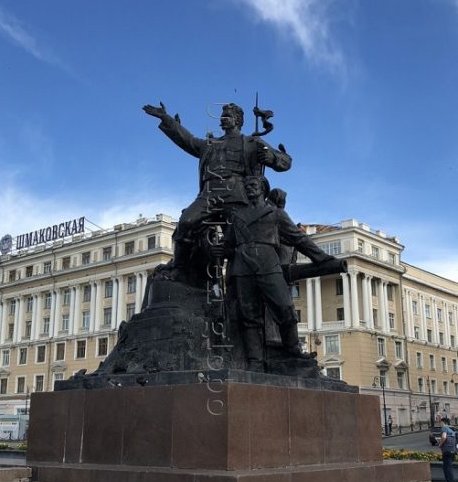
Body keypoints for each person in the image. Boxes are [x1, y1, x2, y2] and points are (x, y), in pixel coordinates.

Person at [143, 102, 292, 278]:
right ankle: (180, 268)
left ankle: (248, 278)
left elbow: (285, 161)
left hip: (237, 195)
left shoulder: (251, 142)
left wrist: (271, 157)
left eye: (226, 116)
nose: (222, 120)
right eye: (222, 117)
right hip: (209, 194)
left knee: (241, 237)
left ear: (237, 120)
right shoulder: (209, 144)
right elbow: (187, 140)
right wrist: (165, 118)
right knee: (185, 223)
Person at [223, 175, 334, 369]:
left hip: (268, 264)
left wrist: (321, 257)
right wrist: (219, 250)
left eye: (254, 185)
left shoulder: (275, 214)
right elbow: (229, 245)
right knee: (250, 317)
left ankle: (293, 350)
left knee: (285, 307)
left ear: (263, 189)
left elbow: (299, 238)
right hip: (243, 267)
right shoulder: (237, 215)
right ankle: (255, 361)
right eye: (247, 185)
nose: (250, 188)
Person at [438, 416, 457, 482]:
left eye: (441, 422)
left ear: (443, 422)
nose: (440, 424)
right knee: (449, 468)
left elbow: (444, 437)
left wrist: (440, 444)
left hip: (446, 451)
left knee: (447, 469)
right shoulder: (451, 430)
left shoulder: (444, 428)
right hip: (452, 451)